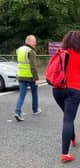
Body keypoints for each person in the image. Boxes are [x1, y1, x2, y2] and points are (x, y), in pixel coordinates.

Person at [52, 31, 80, 162]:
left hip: (57, 89)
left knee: (68, 116)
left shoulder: (62, 52)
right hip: (74, 90)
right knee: (68, 119)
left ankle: (73, 137)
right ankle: (65, 153)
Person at [14, 34, 41, 122]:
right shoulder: (31, 51)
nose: (35, 43)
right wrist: (36, 78)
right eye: (34, 41)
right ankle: (35, 109)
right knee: (34, 93)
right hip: (30, 77)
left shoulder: (19, 50)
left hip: (21, 76)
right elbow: (33, 67)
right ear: (28, 41)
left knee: (22, 95)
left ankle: (17, 112)